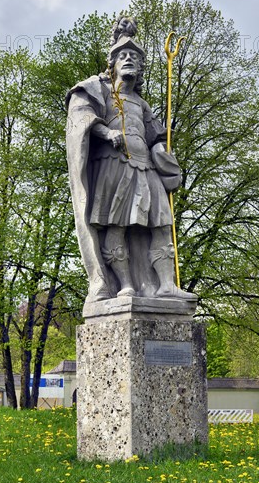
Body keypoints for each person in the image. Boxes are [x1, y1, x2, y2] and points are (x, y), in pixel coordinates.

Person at [66, 17, 194, 303]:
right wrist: (106, 131)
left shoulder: (142, 103)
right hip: (114, 167)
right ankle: (124, 286)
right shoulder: (97, 90)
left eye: (134, 57)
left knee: (161, 225)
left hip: (145, 168)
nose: (129, 60)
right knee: (116, 227)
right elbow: (82, 117)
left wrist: (163, 150)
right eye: (123, 56)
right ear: (112, 63)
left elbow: (157, 136)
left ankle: (166, 286)